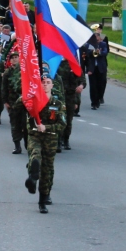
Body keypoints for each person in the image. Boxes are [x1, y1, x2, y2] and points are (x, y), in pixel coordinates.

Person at [22, 72, 66, 213]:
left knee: (47, 170)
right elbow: (19, 104)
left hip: (50, 139)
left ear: (52, 85)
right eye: (43, 82)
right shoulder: (33, 99)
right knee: (35, 155)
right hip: (35, 135)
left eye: (48, 82)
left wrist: (46, 127)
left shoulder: (58, 104)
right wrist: (26, 94)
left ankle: (43, 200)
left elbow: (62, 124)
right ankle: (33, 176)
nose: (45, 85)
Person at [56, 61, 85, 151]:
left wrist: (81, 86)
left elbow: (82, 81)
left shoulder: (74, 65)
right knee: (59, 119)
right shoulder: (56, 63)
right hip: (58, 97)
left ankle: (66, 140)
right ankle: (58, 141)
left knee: (68, 120)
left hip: (70, 97)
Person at [89, 30, 109, 109]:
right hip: (93, 68)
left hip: (101, 68)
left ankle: (100, 97)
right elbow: (88, 52)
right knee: (93, 86)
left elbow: (105, 52)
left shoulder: (103, 44)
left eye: (97, 38)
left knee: (101, 84)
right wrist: (94, 52)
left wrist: (98, 53)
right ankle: (94, 103)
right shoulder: (90, 45)